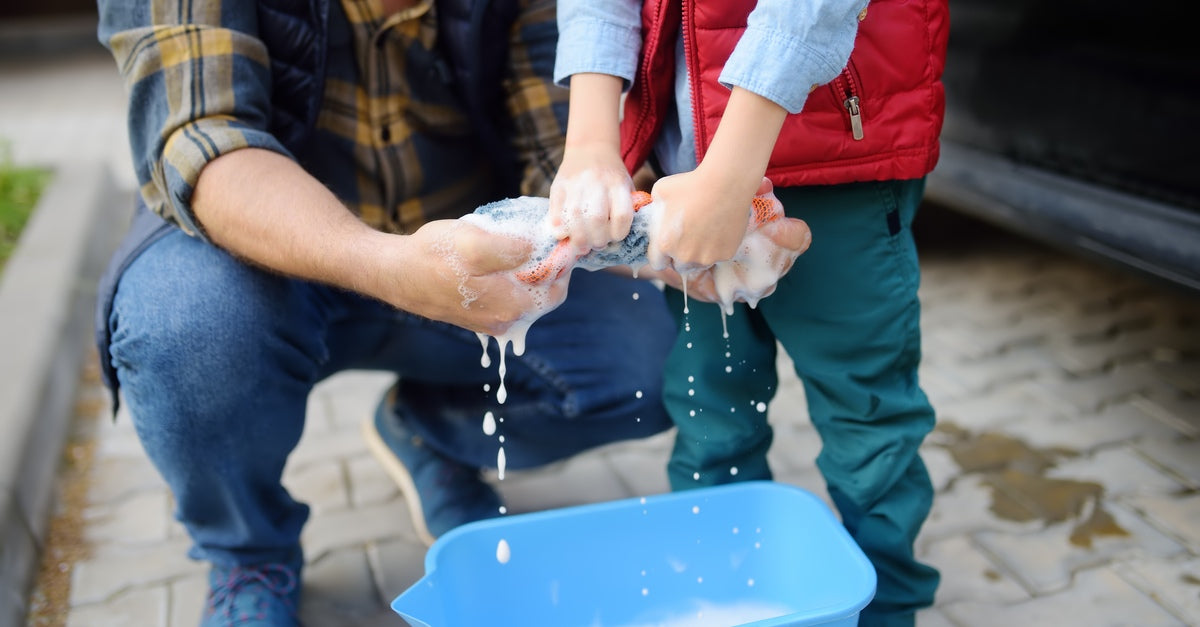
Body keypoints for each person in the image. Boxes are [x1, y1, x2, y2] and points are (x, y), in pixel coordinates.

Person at [93, 0, 681, 624]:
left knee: (656, 360)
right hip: (265, 261)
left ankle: (430, 433)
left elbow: (550, 146)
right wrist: (389, 267)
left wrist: (651, 232)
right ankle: (249, 553)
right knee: (182, 330)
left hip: (466, 258)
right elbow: (205, 138)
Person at [551, 0, 949, 624]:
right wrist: (591, 143)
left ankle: (885, 607)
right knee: (711, 410)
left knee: (866, 415)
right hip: (686, 185)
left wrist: (731, 175)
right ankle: (725, 601)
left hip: (839, 170)